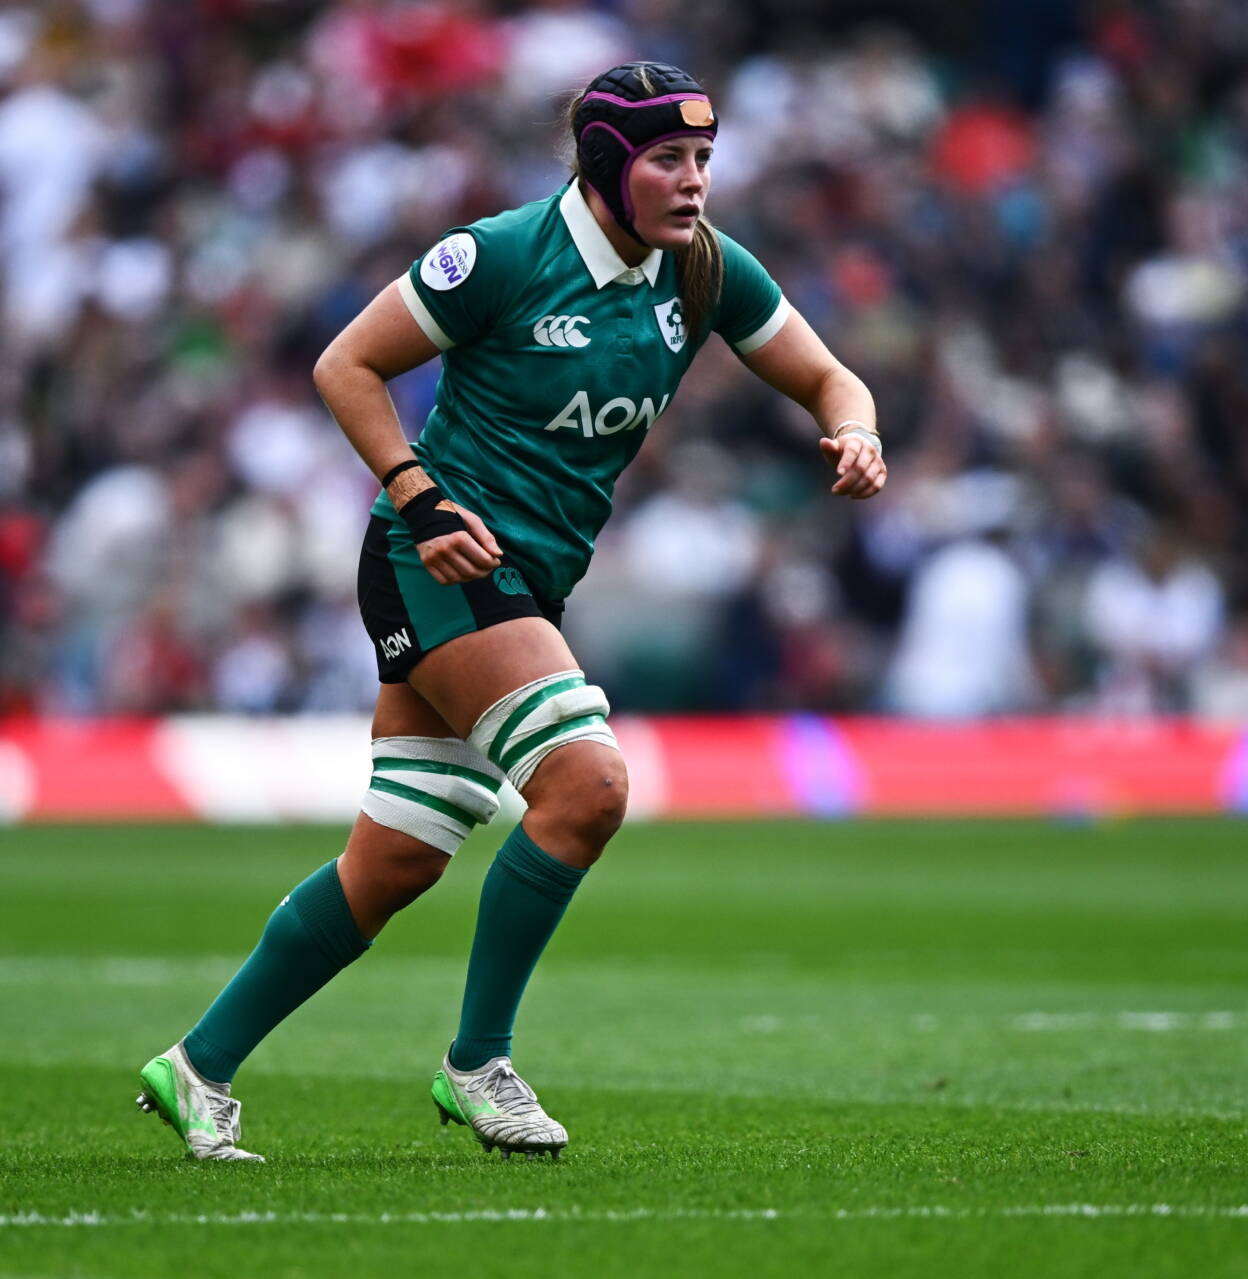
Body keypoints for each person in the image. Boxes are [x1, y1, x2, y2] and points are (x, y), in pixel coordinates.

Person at [135, 61, 886, 1163]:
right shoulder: (497, 255)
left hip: (529, 583)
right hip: (437, 556)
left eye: (704, 160)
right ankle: (479, 1062)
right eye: (668, 160)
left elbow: (833, 379)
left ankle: (195, 1065)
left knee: (397, 859)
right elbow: (346, 364)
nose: (693, 183)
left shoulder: (706, 271)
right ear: (604, 163)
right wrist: (416, 491)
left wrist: (858, 430)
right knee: (588, 783)